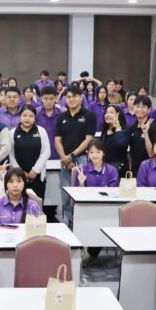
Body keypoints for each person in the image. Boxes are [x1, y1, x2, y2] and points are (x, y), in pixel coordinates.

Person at [54, 86, 96, 225]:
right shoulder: (62, 117)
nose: (71, 99)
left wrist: (71, 155)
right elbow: (57, 140)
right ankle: (67, 223)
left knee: (81, 192)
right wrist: (64, 158)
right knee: (66, 194)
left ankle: (81, 224)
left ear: (81, 97)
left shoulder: (89, 115)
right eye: (68, 97)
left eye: (74, 96)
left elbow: (89, 139)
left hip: (82, 159)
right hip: (65, 160)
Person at [9, 104, 50, 199]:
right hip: (18, 177)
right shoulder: (12, 133)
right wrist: (20, 172)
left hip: (38, 176)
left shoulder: (41, 131)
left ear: (35, 117)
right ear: (20, 116)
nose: (27, 118)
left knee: (37, 207)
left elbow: (46, 152)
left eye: (31, 116)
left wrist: (35, 171)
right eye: (24, 115)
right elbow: (11, 154)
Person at [128, 95, 155, 177]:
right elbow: (131, 152)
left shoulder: (153, 128)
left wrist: (146, 134)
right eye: (137, 106)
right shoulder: (133, 127)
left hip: (149, 169)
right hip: (134, 169)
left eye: (143, 107)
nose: (139, 110)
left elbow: (151, 154)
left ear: (149, 110)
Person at [101, 104, 130, 176]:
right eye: (106, 112)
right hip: (105, 168)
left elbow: (120, 144)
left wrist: (118, 128)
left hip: (119, 170)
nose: (107, 114)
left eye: (111, 112)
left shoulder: (124, 130)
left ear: (118, 115)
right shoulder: (104, 131)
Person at [36, 85, 62, 160]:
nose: (49, 101)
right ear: (41, 99)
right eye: (46, 98)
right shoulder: (36, 113)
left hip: (58, 154)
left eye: (51, 98)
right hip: (39, 155)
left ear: (56, 99)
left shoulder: (62, 114)